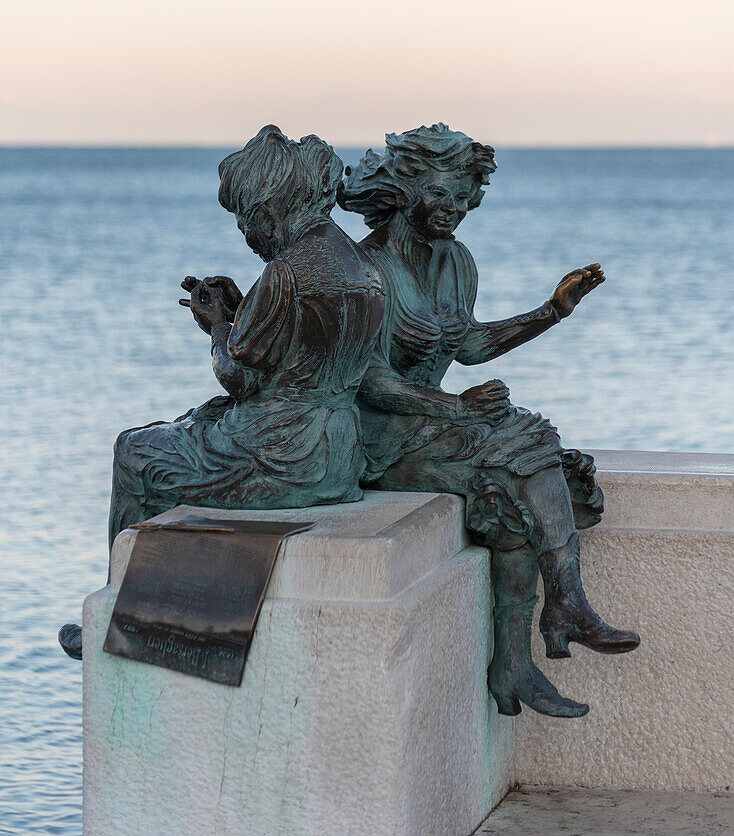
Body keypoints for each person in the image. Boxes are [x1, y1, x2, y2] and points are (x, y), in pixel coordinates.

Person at [339, 123, 639, 718]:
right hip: (379, 436)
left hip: (437, 421)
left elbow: (470, 344)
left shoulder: (456, 262)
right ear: (401, 191)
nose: (452, 209)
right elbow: (366, 379)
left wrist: (551, 312)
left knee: (527, 452)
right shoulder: (365, 268)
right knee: (521, 456)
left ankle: (523, 654)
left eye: (461, 196)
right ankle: (561, 611)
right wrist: (457, 407)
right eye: (437, 193)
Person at [59, 126, 384, 659]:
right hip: (339, 452)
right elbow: (303, 357)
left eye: (245, 220)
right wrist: (241, 312)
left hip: (284, 452)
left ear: (270, 208)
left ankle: (120, 613)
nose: (246, 234)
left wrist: (215, 326)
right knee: (188, 426)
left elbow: (239, 377)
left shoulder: (286, 272)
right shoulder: (361, 268)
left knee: (135, 451)